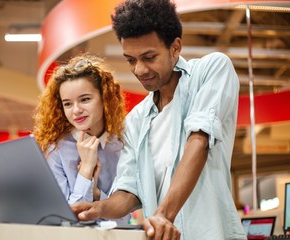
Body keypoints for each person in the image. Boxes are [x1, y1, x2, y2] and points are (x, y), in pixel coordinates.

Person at [71, 0, 247, 239]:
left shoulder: (211, 71)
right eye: (131, 60)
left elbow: (199, 141)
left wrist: (164, 214)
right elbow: (129, 192)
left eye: (149, 57)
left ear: (175, 47)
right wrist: (99, 208)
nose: (139, 70)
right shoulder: (136, 120)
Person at [33, 54, 129, 222]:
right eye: (68, 103)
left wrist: (97, 195)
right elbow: (66, 219)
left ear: (104, 98)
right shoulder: (54, 150)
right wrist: (86, 170)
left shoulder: (122, 146)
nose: (76, 110)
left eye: (85, 99)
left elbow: (124, 217)